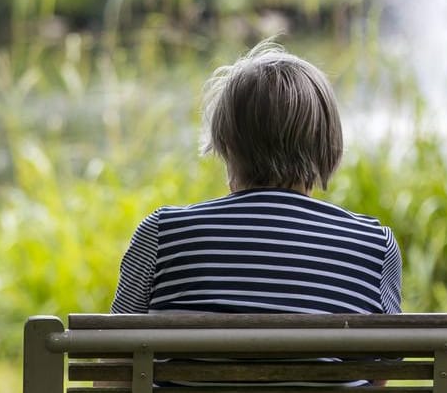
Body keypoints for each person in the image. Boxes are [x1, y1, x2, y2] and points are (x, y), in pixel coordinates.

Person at [112, 40, 401, 316]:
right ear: (327, 145)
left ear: (225, 142)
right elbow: (388, 362)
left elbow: (116, 353)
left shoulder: (163, 235)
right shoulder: (374, 247)